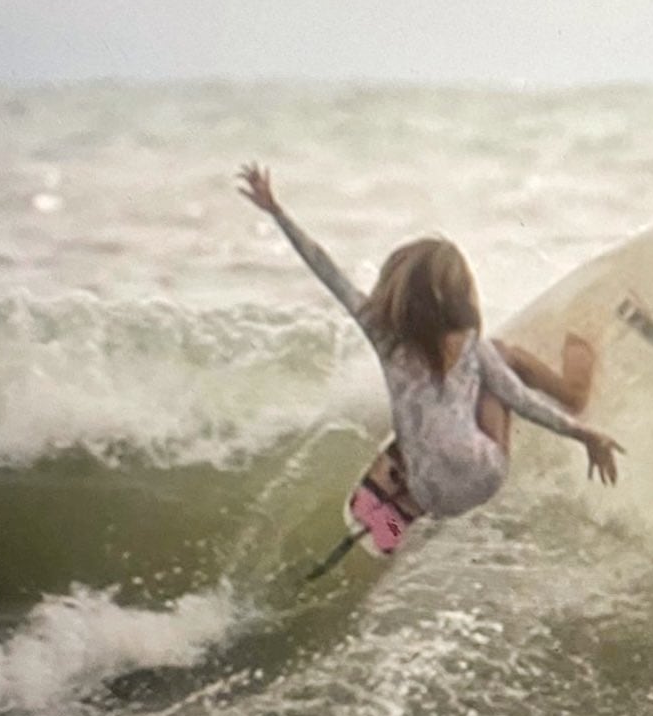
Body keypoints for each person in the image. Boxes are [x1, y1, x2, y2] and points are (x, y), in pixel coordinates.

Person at [236, 163, 623, 520]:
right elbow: (518, 398)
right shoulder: (473, 346)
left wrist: (276, 211)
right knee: (500, 361)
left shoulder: (382, 334)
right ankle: (575, 390)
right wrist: (584, 435)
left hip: (430, 496)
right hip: (483, 477)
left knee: (429, 406)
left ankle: (414, 466)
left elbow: (326, 269)